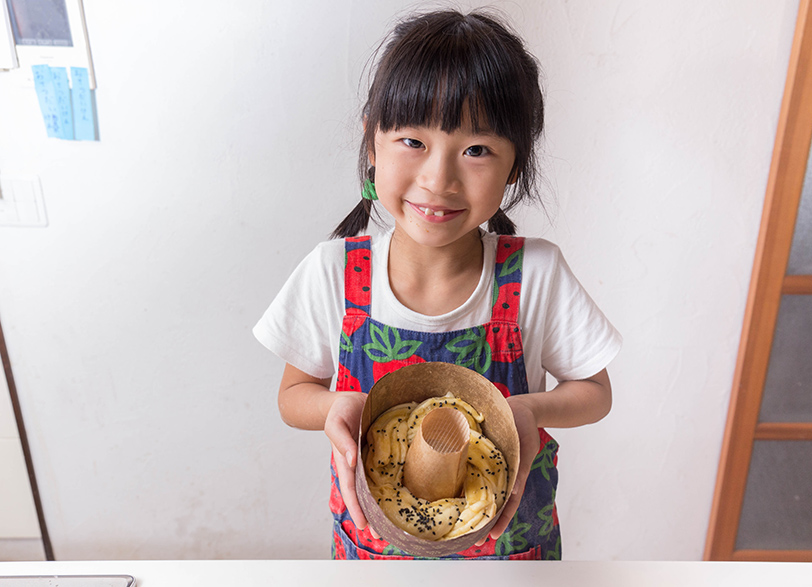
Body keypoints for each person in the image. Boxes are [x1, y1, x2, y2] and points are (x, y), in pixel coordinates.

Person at [254, 9, 622, 560]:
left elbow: (596, 393)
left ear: (515, 166)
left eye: (477, 150)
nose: (438, 178)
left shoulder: (537, 276)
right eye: (411, 140)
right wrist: (335, 407)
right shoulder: (333, 274)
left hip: (511, 559)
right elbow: (292, 396)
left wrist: (531, 411)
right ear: (371, 144)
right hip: (376, 557)